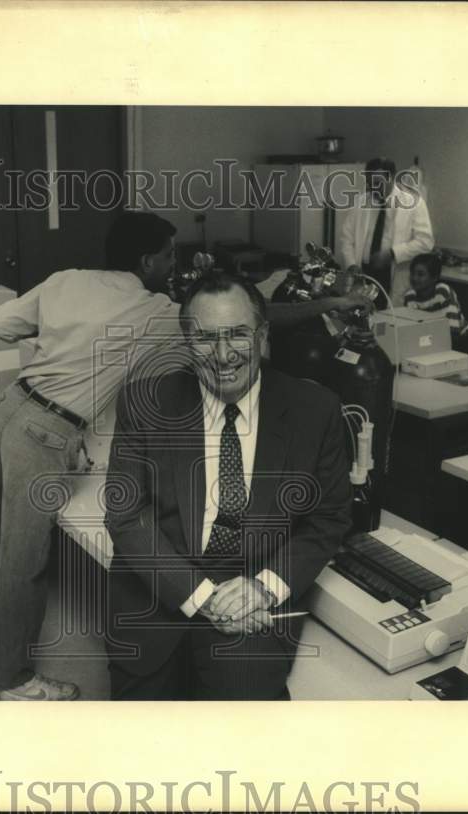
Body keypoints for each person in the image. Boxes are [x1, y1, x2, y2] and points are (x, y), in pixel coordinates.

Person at [0, 211, 372, 702]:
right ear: (147, 262)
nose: (223, 351)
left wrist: (63, 344)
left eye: (238, 336)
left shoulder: (64, 281)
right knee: (25, 559)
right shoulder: (156, 313)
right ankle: (13, 678)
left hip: (11, 407)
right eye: (168, 255)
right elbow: (265, 312)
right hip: (49, 430)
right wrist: (331, 302)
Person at [104, 273, 353, 700]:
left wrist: (264, 587)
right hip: (160, 585)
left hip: (252, 591)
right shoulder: (143, 402)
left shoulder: (316, 411)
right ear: (186, 341)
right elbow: (126, 515)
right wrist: (202, 597)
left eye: (238, 334)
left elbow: (328, 519)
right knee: (141, 739)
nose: (223, 355)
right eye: (204, 339)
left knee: (244, 734)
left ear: (262, 334)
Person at [337, 157, 434, 306]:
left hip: (393, 275)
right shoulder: (361, 201)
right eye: (369, 184)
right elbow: (346, 238)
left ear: (391, 177)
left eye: (377, 183)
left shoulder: (414, 203)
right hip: (363, 274)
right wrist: (351, 265)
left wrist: (392, 253)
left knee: (390, 320)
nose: (373, 189)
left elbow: (425, 242)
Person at [403, 252, 468, 351]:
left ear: (434, 277)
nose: (414, 278)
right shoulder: (409, 296)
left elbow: (453, 333)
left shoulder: (443, 292)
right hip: (430, 343)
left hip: (459, 343)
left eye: (420, 274)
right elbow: (410, 331)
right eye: (412, 273)